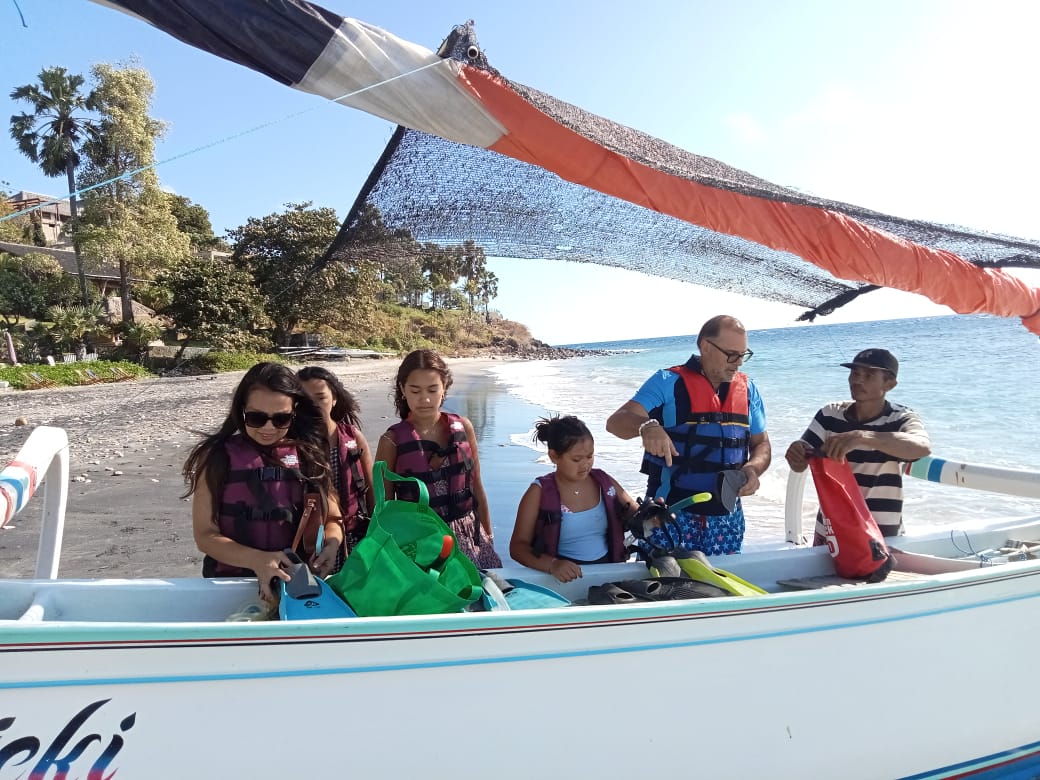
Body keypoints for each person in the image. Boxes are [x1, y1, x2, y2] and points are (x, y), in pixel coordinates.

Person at [606, 315, 771, 555]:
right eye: (731, 354)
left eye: (743, 355)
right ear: (705, 346)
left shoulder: (748, 390)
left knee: (725, 590)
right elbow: (616, 422)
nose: (738, 363)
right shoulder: (667, 382)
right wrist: (647, 426)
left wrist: (753, 469)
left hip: (727, 520)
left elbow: (761, 443)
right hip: (670, 516)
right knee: (667, 589)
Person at [183, 362, 344, 602]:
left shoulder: (310, 455)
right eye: (257, 418)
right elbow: (205, 535)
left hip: (296, 585)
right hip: (232, 586)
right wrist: (257, 559)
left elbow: (333, 518)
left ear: (294, 413)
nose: (268, 428)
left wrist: (332, 545)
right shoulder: (216, 457)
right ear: (241, 411)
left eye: (281, 419)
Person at [374, 349, 503, 569]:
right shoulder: (391, 441)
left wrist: (488, 535)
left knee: (481, 596)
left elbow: (476, 485)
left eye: (433, 390)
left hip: (468, 534)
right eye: (415, 391)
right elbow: (384, 508)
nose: (424, 399)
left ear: (444, 388)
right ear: (403, 390)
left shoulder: (464, 427)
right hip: (418, 541)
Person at [784, 348, 931, 541]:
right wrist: (796, 453)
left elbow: (921, 446)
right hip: (831, 527)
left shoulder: (900, 418)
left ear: (890, 384)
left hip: (880, 533)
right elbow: (799, 462)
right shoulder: (830, 414)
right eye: (854, 373)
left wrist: (863, 437)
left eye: (869, 375)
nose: (857, 380)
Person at [509, 415, 639, 582]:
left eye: (590, 456)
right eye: (576, 459)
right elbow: (518, 547)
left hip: (608, 573)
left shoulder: (604, 482)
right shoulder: (539, 492)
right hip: (562, 579)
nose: (585, 465)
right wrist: (552, 565)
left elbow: (636, 512)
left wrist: (653, 515)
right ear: (554, 456)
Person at [297, 366, 375, 552]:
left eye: (320, 397)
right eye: (305, 400)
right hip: (308, 542)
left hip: (354, 535)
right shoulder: (292, 444)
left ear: (334, 399)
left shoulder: (353, 438)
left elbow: (372, 490)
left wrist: (376, 533)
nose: (313, 405)